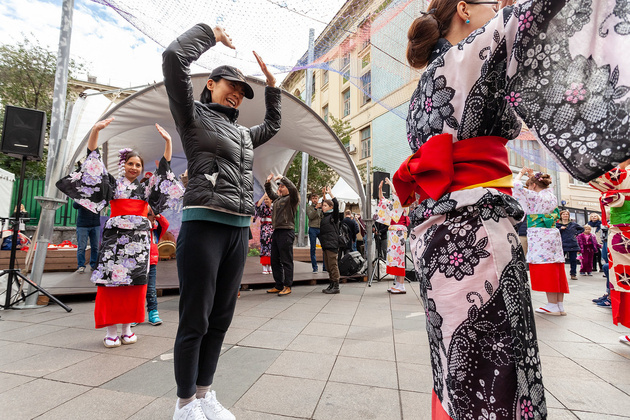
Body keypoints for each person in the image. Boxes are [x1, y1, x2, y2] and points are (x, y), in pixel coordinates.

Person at [388, 0, 630, 415]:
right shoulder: (473, 53)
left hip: (436, 234)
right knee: (496, 364)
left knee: (454, 358)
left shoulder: (427, 83)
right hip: (476, 232)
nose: (500, 7)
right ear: (464, 8)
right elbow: (548, 11)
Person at [163, 23, 281, 420]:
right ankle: (183, 405)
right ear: (210, 84)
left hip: (236, 231)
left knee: (221, 318)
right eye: (231, 84)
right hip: (203, 226)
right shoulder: (192, 116)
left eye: (244, 92)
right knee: (195, 316)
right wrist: (210, 34)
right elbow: (173, 58)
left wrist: (271, 88)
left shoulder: (245, 135)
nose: (237, 94)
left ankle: (204, 393)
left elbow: (274, 125)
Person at [56, 118, 182, 348]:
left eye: (138, 165)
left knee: (135, 285)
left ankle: (126, 329)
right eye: (131, 163)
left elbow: (164, 169)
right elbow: (93, 161)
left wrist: (169, 141)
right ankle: (111, 330)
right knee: (111, 284)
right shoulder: (112, 185)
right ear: (123, 165)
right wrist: (95, 131)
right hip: (115, 240)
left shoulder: (145, 187)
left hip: (140, 241)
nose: (134, 168)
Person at [514, 168, 568, 316]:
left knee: (545, 267)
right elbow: (544, 186)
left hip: (539, 235)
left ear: (533, 186)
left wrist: (521, 174)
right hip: (552, 234)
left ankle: (551, 304)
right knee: (556, 266)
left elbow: (516, 186)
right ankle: (559, 305)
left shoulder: (534, 196)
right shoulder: (551, 195)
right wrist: (533, 176)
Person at [589, 160, 630, 344]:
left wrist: (622, 165)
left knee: (626, 277)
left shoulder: (623, 174)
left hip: (624, 232)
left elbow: (595, 177)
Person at [265, 173, 299, 296]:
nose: (280, 188)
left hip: (286, 231)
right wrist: (268, 183)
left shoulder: (292, 199)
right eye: (279, 186)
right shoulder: (279, 200)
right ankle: (278, 285)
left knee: (286, 260)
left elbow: (294, 189)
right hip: (277, 231)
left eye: (282, 186)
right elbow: (270, 194)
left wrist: (283, 178)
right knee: (274, 260)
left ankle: (287, 286)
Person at [374, 178, 409, 294]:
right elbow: (382, 200)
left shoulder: (403, 204)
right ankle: (398, 284)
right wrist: (380, 190)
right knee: (394, 258)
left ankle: (401, 285)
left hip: (399, 232)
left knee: (399, 258)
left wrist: (391, 184)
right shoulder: (394, 205)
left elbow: (396, 195)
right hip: (394, 232)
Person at [146, 206, 169, 325]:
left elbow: (165, 224)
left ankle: (153, 312)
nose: (153, 218)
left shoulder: (155, 230)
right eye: (150, 215)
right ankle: (135, 315)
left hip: (152, 263)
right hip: (139, 263)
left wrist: (158, 215)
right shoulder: (141, 229)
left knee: (151, 289)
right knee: (138, 289)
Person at [318, 186, 340, 294]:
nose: (323, 207)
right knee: (328, 266)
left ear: (330, 207)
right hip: (326, 244)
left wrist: (331, 194)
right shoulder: (325, 216)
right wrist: (324, 195)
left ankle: (336, 286)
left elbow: (336, 204)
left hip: (332, 244)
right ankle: (331, 284)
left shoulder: (333, 216)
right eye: (323, 205)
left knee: (332, 265)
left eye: (325, 205)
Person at [73, 199, 100, 274]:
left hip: (95, 225)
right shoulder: (81, 196)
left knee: (95, 247)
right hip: (82, 225)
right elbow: (75, 206)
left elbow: (104, 204)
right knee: (82, 247)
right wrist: (82, 199)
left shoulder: (98, 196)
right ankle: (81, 265)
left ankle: (94, 265)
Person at [556, 209, 584, 280]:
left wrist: (575, 233)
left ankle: (573, 274)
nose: (565, 216)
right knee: (561, 260)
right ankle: (560, 274)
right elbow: (554, 232)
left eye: (567, 214)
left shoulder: (573, 224)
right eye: (564, 214)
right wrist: (560, 229)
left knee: (573, 260)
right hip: (562, 244)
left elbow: (582, 229)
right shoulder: (557, 224)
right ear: (561, 216)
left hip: (572, 244)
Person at [253, 194, 273, 274]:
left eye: (267, 199)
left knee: (272, 248)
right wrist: (264, 195)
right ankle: (264, 266)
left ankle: (270, 266)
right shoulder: (263, 208)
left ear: (271, 200)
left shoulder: (274, 208)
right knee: (265, 248)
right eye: (265, 200)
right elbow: (257, 205)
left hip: (273, 230)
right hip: (265, 231)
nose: (265, 201)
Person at [305, 192, 323, 273]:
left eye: (316, 198)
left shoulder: (322, 207)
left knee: (325, 247)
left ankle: (325, 267)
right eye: (313, 198)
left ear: (318, 199)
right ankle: (315, 267)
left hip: (321, 229)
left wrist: (321, 208)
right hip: (312, 228)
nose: (315, 200)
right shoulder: (309, 207)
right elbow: (311, 216)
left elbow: (323, 216)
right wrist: (315, 208)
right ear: (311, 200)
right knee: (313, 248)